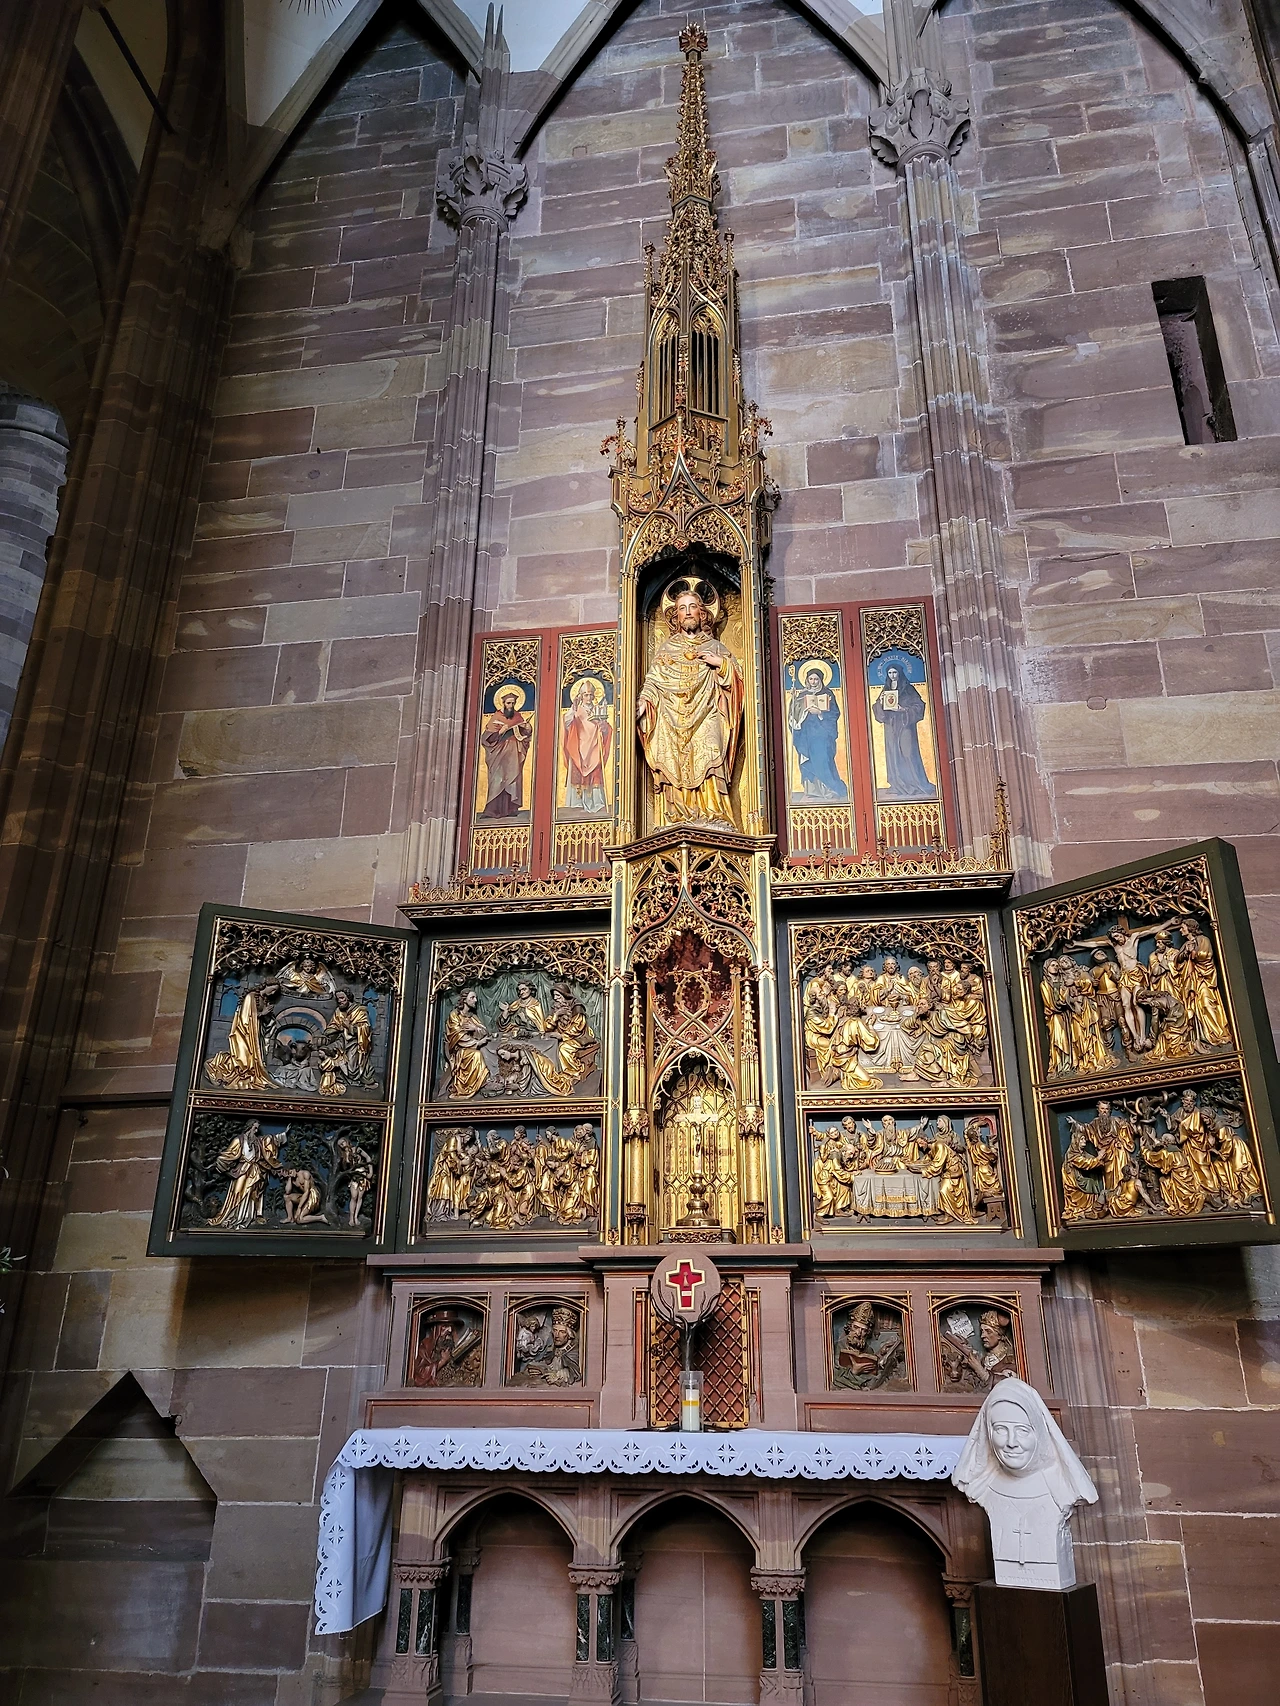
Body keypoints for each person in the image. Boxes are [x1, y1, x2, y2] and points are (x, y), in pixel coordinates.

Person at [638, 580, 744, 827]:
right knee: (672, 757)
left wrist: (721, 664)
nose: (687, 612)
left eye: (692, 607)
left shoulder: (715, 647)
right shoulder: (667, 649)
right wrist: (644, 702)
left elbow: (738, 684)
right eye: (682, 608)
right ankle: (676, 816)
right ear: (675, 616)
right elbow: (654, 681)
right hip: (672, 718)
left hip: (708, 713)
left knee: (711, 750)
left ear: (702, 613)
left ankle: (714, 814)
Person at [871, 662, 935, 799]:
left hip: (905, 723)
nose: (892, 675)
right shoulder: (886, 689)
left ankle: (915, 783)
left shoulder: (908, 689)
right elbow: (877, 708)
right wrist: (880, 703)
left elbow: (919, 706)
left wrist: (903, 709)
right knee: (893, 752)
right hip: (891, 725)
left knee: (908, 752)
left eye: (894, 672)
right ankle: (897, 784)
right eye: (890, 673)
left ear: (899, 673)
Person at [205, 980, 281, 1091]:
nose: (273, 993)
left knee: (255, 1058)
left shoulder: (264, 1000)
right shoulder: (251, 997)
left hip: (256, 1033)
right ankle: (220, 1068)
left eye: (275, 991)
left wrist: (267, 1016)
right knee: (243, 1058)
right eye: (273, 989)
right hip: (245, 1032)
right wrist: (262, 1013)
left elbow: (264, 1020)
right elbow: (245, 1017)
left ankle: (253, 1072)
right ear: (266, 985)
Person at [787, 662, 847, 800]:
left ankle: (830, 790)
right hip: (807, 735)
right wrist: (794, 700)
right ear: (807, 680)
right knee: (808, 761)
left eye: (816, 679)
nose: (813, 682)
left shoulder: (828, 694)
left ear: (820, 680)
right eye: (811, 679)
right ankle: (812, 790)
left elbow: (835, 713)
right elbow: (793, 715)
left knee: (823, 760)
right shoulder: (802, 695)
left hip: (823, 735)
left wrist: (820, 713)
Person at [480, 686, 533, 818]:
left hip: (513, 753)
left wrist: (527, 728)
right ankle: (492, 810)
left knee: (512, 779)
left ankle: (510, 808)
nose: (511, 706)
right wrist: (500, 732)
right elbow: (486, 739)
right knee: (497, 779)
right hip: (498, 754)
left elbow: (524, 735)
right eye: (509, 703)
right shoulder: (497, 717)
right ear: (503, 703)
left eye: (513, 703)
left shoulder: (517, 717)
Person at [561, 677, 612, 813]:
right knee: (577, 773)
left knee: (596, 773)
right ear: (581, 696)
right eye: (586, 695)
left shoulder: (597, 710)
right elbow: (566, 723)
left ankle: (596, 802)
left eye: (590, 695)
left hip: (594, 747)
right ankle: (577, 803)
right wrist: (573, 709)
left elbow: (607, 728)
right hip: (579, 747)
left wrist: (604, 728)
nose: (588, 698)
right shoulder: (575, 710)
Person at [443, 989, 490, 1099]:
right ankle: (467, 1087)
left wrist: (475, 1028)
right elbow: (457, 1035)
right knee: (477, 1055)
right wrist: (477, 1043)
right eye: (472, 998)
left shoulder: (472, 1017)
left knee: (488, 1051)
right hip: (460, 1050)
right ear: (464, 1000)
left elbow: (485, 1032)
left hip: (473, 1047)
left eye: (475, 997)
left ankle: (486, 1081)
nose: (475, 1000)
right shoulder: (455, 1015)